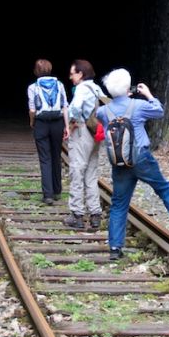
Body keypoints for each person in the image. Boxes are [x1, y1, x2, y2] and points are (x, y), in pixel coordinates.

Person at [97, 68, 169, 260]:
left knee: (119, 204)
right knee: (163, 188)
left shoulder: (102, 112)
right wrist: (148, 94)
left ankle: (115, 248)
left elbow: (109, 118)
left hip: (119, 162)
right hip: (141, 158)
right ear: (128, 88)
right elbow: (159, 111)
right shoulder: (139, 105)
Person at [66, 59, 106, 231]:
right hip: (95, 133)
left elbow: (74, 108)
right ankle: (95, 214)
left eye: (72, 73)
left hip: (82, 132)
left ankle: (77, 214)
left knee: (77, 171)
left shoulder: (82, 88)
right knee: (91, 173)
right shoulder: (96, 88)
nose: (70, 77)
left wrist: (72, 122)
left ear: (80, 74)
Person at [28, 59, 69, 205]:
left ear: (36, 71)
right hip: (57, 122)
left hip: (41, 123)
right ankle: (57, 191)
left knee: (45, 159)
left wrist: (32, 122)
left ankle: (48, 195)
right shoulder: (60, 85)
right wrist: (67, 126)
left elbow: (32, 109)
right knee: (56, 156)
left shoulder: (33, 87)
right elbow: (65, 106)